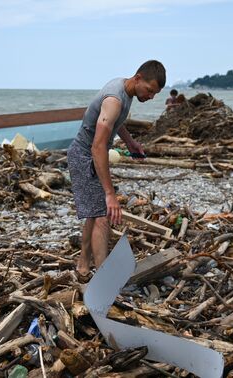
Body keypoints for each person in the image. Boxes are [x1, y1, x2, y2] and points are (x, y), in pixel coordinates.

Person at [67, 60, 166, 278]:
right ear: (138, 78)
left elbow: (115, 122)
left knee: (94, 215)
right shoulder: (114, 99)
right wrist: (110, 194)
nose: (151, 97)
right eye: (149, 91)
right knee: (103, 213)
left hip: (89, 154)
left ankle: (83, 263)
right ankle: (103, 276)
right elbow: (98, 146)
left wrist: (130, 142)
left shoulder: (124, 89)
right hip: (84, 156)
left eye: (155, 94)